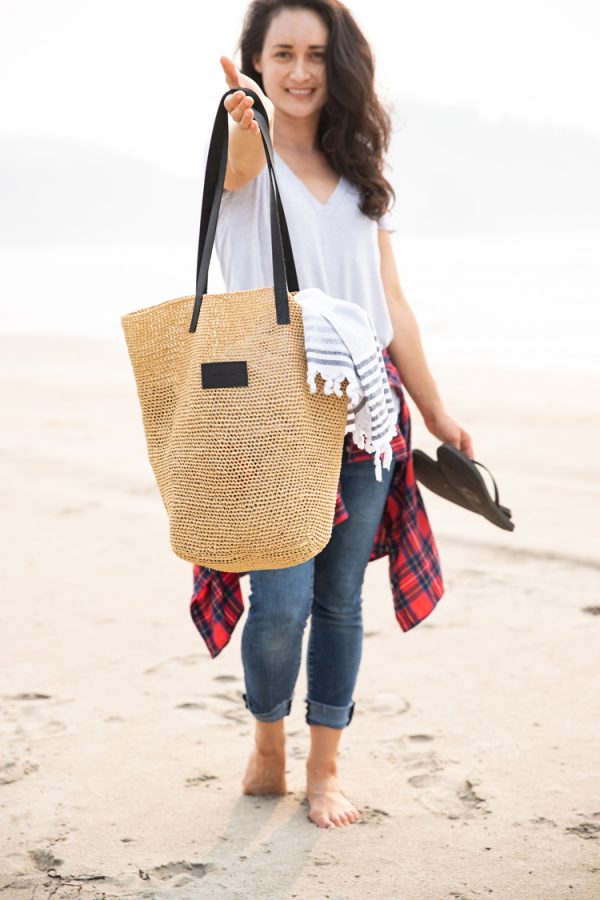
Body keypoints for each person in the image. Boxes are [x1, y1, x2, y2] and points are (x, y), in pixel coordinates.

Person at [211, 0, 473, 829]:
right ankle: (267, 742)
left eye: (315, 54)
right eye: (280, 53)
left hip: (366, 414)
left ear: (338, 63)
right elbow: (241, 157)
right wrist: (240, 115)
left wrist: (435, 411)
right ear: (254, 59)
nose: (298, 72)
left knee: (340, 603)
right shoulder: (240, 152)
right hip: (271, 413)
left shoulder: (362, 168)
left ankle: (325, 768)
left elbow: (391, 301)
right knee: (279, 602)